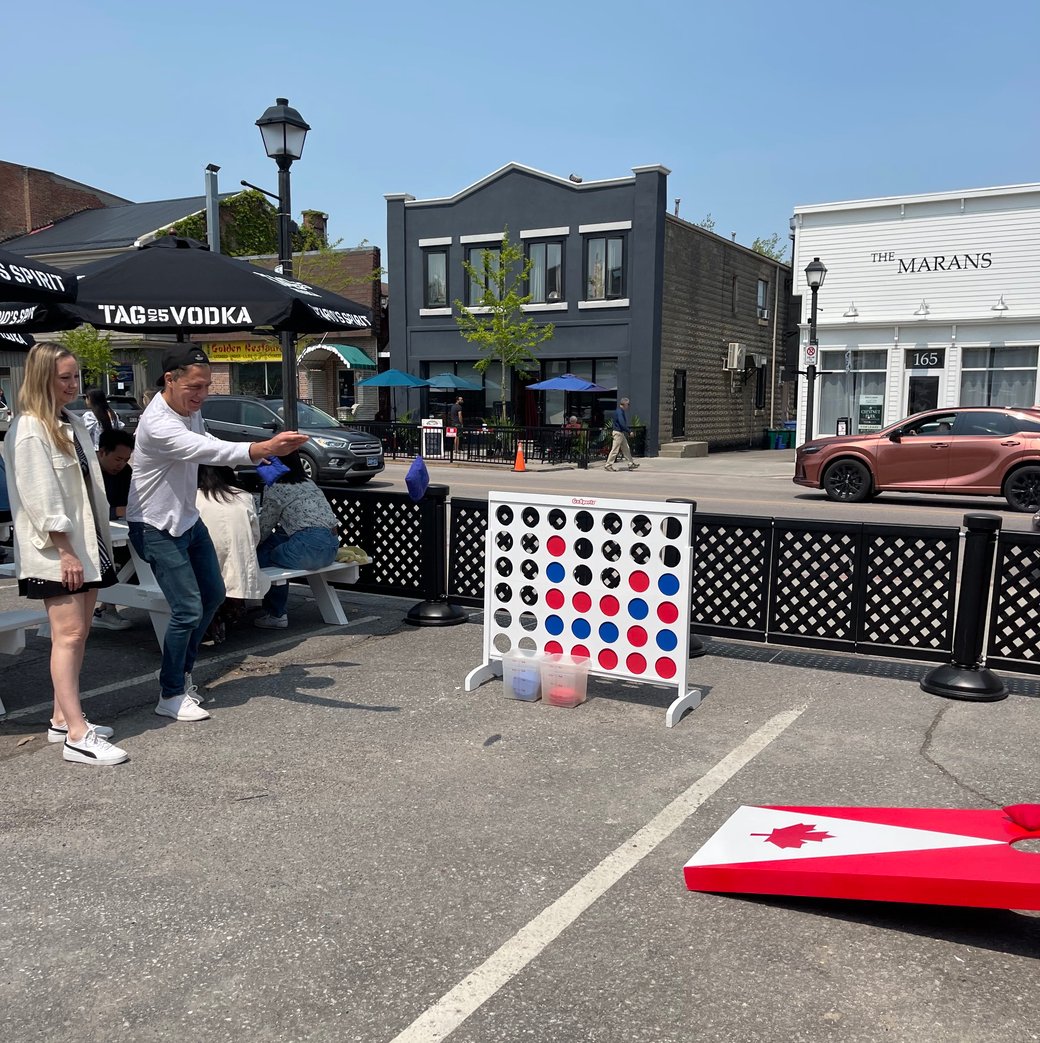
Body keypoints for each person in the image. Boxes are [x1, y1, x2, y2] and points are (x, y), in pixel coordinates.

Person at [128, 344, 308, 722]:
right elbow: (207, 451)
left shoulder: (191, 412)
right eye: (195, 386)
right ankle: (171, 692)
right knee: (187, 608)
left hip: (187, 519)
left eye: (207, 386)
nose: (202, 395)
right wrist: (263, 448)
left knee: (212, 596)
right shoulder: (158, 423)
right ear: (169, 380)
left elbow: (208, 442)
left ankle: (182, 676)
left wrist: (259, 449)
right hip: (156, 525)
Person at [5, 342, 127, 765]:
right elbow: (41, 495)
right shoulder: (28, 428)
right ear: (42, 378)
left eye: (76, 376)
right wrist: (65, 551)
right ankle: (77, 731)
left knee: (78, 634)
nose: (74, 383)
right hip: (60, 551)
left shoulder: (70, 421)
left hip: (87, 546)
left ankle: (62, 719)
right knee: (69, 635)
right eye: (65, 377)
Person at [254, 450, 340, 629]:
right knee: (275, 542)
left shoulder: (275, 487)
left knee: (265, 551)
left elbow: (263, 529)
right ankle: (266, 605)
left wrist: (249, 545)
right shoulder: (309, 483)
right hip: (331, 547)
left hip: (308, 548)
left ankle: (275, 613)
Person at [196, 465, 270, 644]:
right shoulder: (244, 497)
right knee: (235, 571)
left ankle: (211, 620)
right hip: (240, 565)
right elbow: (255, 535)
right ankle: (229, 611)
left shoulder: (192, 497)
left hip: (203, 562)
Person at [91, 429, 136, 631]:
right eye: (118, 458)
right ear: (102, 452)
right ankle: (106, 607)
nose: (121, 464)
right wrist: (115, 510)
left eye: (126, 459)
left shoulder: (126, 472)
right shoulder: (85, 472)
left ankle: (106, 608)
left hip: (119, 529)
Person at [605, 396, 639, 472]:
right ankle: (608, 465)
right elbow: (622, 423)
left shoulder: (619, 411)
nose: (628, 406)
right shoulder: (620, 412)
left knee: (626, 448)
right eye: (628, 404)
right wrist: (629, 431)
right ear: (624, 404)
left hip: (620, 433)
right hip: (618, 433)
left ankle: (631, 463)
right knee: (615, 449)